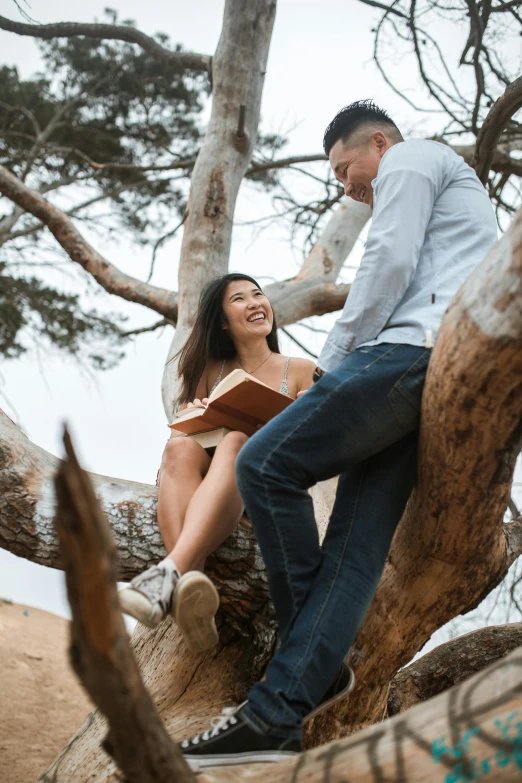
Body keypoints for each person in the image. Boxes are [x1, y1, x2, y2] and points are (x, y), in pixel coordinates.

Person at [178, 100, 499, 769]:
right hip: (429, 379)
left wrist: (336, 357)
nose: (345, 184)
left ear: (377, 143)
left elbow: (387, 257)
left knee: (264, 464)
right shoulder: (451, 192)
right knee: (353, 548)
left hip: (404, 355)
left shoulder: (414, 157)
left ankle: (291, 687)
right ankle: (286, 708)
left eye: (345, 167)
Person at [119, 273, 315, 652]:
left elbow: (317, 441)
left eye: (258, 294)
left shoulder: (303, 370)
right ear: (223, 322)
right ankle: (189, 594)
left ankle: (169, 574)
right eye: (240, 299)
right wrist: (192, 415)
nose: (256, 303)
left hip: (262, 488)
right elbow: (179, 440)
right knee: (178, 449)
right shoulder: (209, 371)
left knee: (239, 441)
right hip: (206, 483)